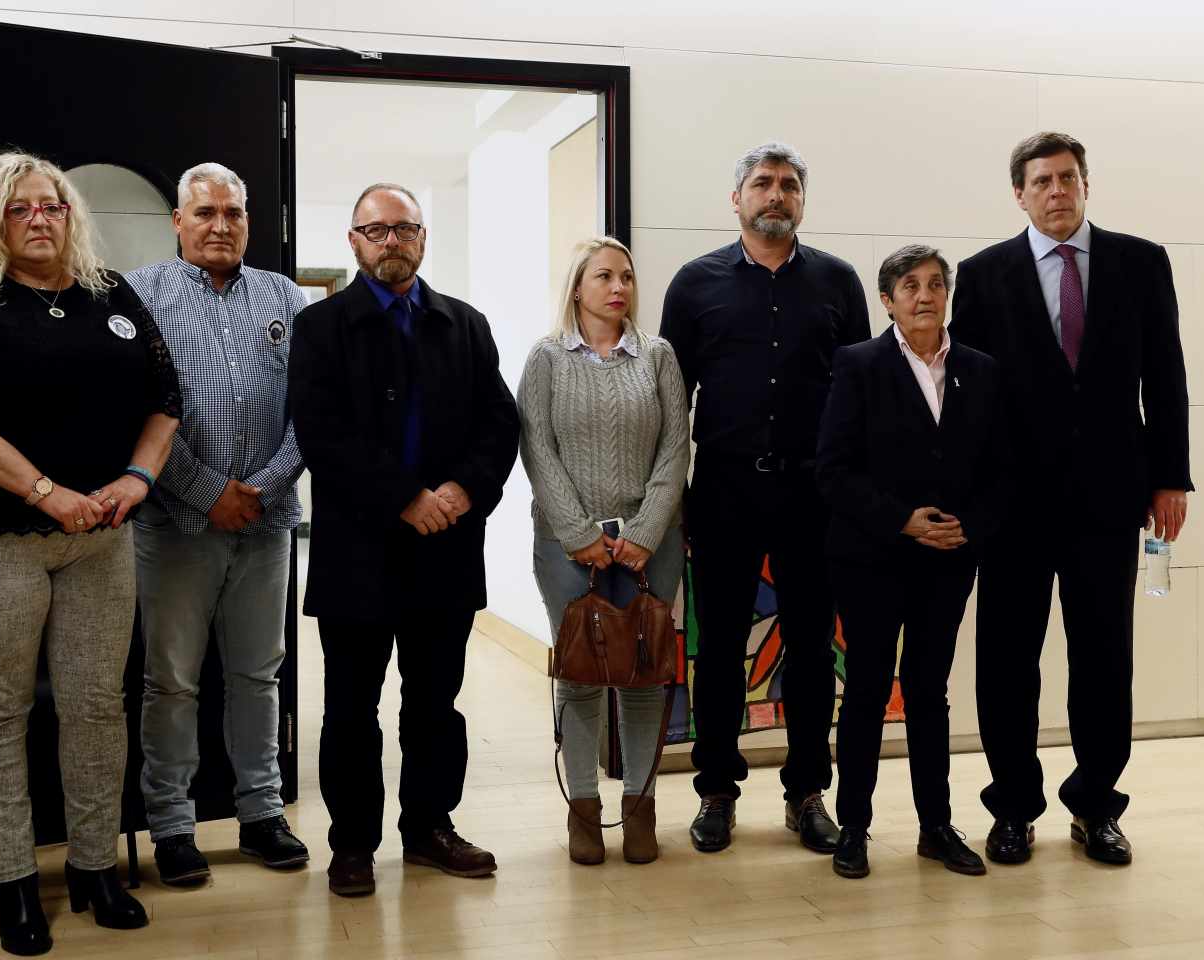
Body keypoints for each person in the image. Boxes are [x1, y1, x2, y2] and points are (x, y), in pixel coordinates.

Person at [0, 151, 181, 956]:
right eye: (19, 209)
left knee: (97, 705)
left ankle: (95, 871)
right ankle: (14, 884)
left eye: (51, 206)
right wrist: (44, 491)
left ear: (70, 214)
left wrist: (136, 477)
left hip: (100, 539)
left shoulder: (111, 295)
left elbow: (167, 399)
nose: (39, 220)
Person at [949, 132, 1193, 867]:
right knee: (1007, 659)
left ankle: (1095, 807)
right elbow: (967, 394)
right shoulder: (982, 274)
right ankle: (1014, 809)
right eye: (1042, 181)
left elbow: (1168, 375)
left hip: (1110, 496)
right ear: (1018, 194)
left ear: (1086, 185)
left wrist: (1171, 476)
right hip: (1015, 504)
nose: (1058, 190)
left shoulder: (1140, 261)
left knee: (1102, 657)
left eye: (1068, 178)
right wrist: (969, 495)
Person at [289, 183, 520, 897]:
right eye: (376, 230)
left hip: (445, 550)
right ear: (353, 242)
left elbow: (499, 425)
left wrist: (461, 492)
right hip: (358, 552)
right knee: (352, 709)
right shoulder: (321, 327)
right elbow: (321, 435)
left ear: (423, 239)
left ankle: (428, 828)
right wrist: (405, 498)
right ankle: (353, 845)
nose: (392, 241)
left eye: (405, 229)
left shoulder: (466, 324)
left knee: (434, 703)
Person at [659, 141, 870, 855]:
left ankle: (808, 793)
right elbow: (669, 398)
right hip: (723, 490)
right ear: (737, 199)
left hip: (816, 495)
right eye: (762, 184)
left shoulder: (839, 283)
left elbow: (860, 393)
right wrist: (674, 493)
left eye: (787, 185)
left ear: (801, 200)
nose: (775, 194)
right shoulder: (694, 284)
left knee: (812, 651)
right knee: (718, 650)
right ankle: (717, 790)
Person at [125, 162, 309, 886]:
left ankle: (261, 813)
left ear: (248, 222)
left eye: (232, 213)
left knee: (258, 676)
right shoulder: (141, 295)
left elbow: (312, 412)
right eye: (204, 213)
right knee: (170, 680)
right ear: (178, 221)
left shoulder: (285, 297)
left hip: (266, 523)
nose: (220, 225)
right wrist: (206, 490)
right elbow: (135, 408)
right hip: (174, 525)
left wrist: (260, 489)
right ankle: (171, 823)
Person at [814, 245, 1002, 879]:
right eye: (909, 286)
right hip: (871, 556)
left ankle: (935, 827)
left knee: (930, 693)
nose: (925, 295)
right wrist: (901, 519)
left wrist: (968, 527)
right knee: (867, 689)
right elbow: (833, 471)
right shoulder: (858, 364)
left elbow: (1003, 472)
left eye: (934, 284)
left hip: (948, 559)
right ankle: (855, 829)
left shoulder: (980, 369)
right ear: (887, 300)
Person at [518, 237, 689, 866]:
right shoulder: (546, 360)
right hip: (568, 545)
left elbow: (676, 448)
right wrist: (580, 532)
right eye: (603, 276)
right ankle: (584, 811)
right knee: (582, 673)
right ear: (577, 287)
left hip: (653, 543)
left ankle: (640, 808)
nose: (618, 287)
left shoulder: (658, 356)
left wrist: (644, 533)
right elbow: (537, 449)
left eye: (627, 276)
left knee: (644, 672)